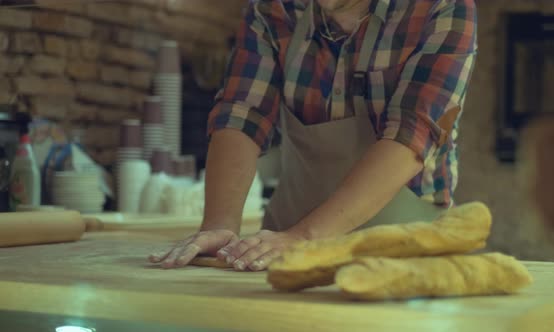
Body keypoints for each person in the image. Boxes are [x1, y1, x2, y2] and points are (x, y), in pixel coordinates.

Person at [149, 0, 477, 271]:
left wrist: (306, 237)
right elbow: (242, 112)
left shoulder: (441, 8)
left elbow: (411, 134)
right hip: (285, 251)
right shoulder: (273, 9)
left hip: (403, 257)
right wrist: (219, 224)